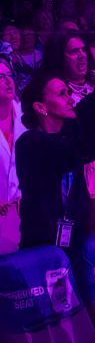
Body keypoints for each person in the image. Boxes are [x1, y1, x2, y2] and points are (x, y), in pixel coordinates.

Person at [16, 68, 95, 249]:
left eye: (69, 92)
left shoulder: (67, 135)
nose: (70, 99)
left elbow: (93, 101)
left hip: (76, 241)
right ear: (41, 107)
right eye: (62, 94)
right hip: (43, 247)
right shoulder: (30, 143)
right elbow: (85, 150)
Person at [0, 58, 26, 251]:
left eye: (10, 75)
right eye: (1, 77)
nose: (8, 81)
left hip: (25, 208)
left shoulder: (26, 115)